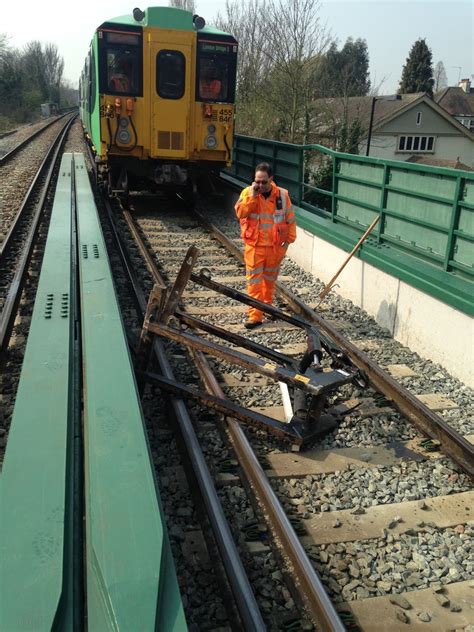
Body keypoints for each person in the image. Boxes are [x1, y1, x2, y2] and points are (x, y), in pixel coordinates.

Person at [235, 162, 296, 329]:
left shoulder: (282, 195)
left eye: (263, 182)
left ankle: (267, 307)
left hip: (275, 247)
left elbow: (290, 218)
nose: (260, 185)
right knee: (254, 282)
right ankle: (255, 315)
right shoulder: (248, 193)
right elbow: (240, 213)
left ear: (271, 179)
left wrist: (289, 241)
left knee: (269, 281)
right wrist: (253, 196)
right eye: (257, 181)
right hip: (254, 247)